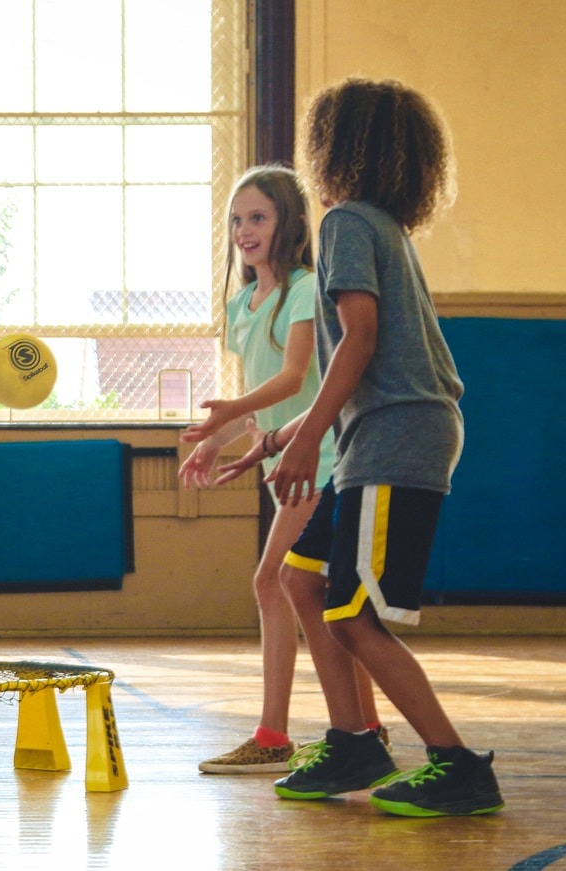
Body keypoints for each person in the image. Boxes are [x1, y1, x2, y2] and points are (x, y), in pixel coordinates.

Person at [215, 78, 504, 816]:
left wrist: (307, 440)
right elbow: (361, 358)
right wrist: (279, 436)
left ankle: (457, 762)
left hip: (396, 437)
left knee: (350, 615)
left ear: (335, 147)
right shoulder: (379, 225)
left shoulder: (345, 221)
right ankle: (354, 739)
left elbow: (363, 340)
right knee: (300, 580)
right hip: (376, 436)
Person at [180, 165, 388, 775]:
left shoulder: (305, 288)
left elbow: (296, 377)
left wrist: (236, 418)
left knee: (273, 582)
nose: (245, 230)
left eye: (259, 217)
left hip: (323, 459)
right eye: (237, 219)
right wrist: (216, 439)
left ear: (289, 223)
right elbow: (260, 397)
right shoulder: (243, 303)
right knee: (314, 597)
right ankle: (366, 729)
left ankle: (277, 735)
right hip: (286, 462)